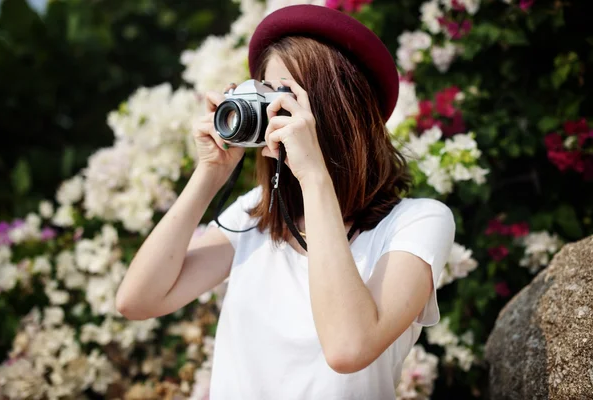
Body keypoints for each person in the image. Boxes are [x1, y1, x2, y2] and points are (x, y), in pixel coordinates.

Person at [116, 4, 455, 399]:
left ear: (337, 107)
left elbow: (348, 348)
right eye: (266, 92)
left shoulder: (417, 223)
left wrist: (314, 176)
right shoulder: (256, 214)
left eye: (287, 95)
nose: (273, 109)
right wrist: (210, 173)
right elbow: (137, 300)